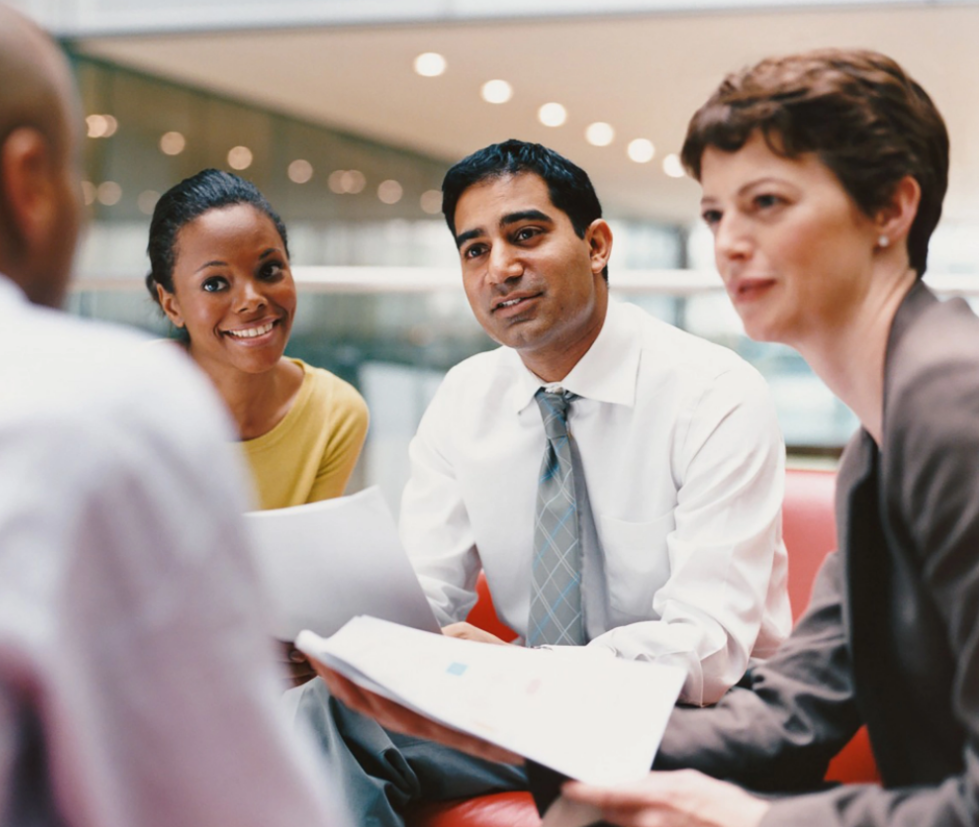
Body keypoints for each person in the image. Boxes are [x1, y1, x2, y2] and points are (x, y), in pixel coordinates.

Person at [316, 48, 976, 827]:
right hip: (656, 718)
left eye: (766, 202)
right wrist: (516, 710)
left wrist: (754, 820)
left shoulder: (949, 406)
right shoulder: (886, 426)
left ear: (892, 210)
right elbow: (803, 702)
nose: (728, 242)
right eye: (715, 214)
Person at [296, 139, 791, 826]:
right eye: (474, 250)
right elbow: (420, 595)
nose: (500, 267)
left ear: (595, 245)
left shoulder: (715, 394)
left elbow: (707, 647)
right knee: (322, 711)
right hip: (530, 713)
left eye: (525, 235)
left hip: (692, 721)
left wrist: (525, 674)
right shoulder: (464, 397)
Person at [0, 3, 345, 825]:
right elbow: (231, 799)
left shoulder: (323, 407)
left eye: (270, 267)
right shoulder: (109, 405)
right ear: (28, 181)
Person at [145, 169, 369, 511]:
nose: (252, 300)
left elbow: (307, 555)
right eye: (215, 284)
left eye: (268, 271)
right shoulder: (128, 398)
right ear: (171, 303)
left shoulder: (335, 414)